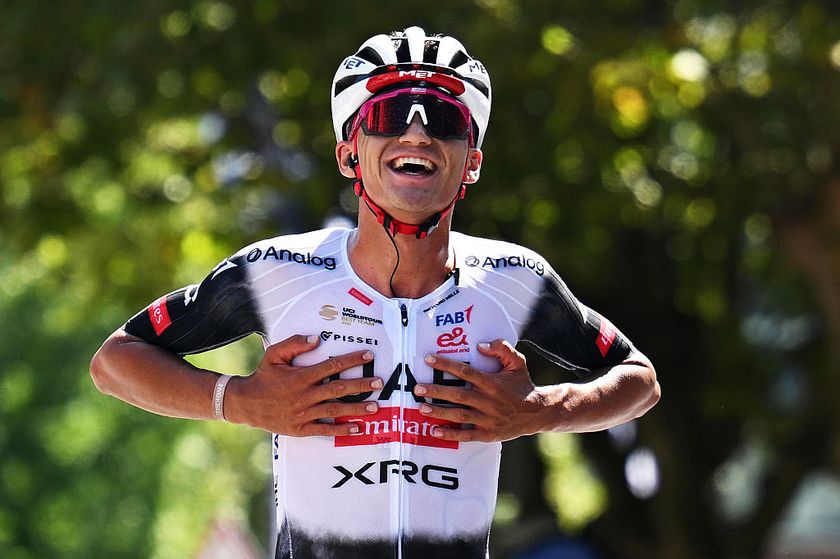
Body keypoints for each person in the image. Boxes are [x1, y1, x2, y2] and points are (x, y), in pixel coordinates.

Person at [90, 26, 660, 559]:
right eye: (389, 116)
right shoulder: (277, 271)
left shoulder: (514, 278)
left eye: (444, 119)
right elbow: (116, 362)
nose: (417, 133)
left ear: (472, 163)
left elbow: (641, 382)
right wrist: (239, 400)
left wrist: (539, 411)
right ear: (348, 155)